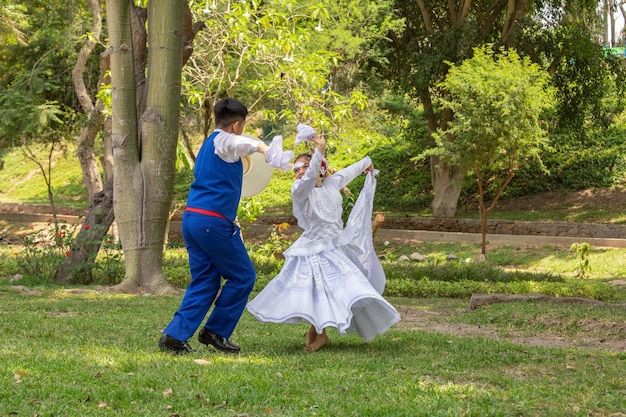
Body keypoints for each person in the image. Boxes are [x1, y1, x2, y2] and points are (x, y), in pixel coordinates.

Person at [247, 129, 401, 351]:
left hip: (335, 244)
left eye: (302, 168)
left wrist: (367, 162)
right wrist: (319, 148)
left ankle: (319, 333)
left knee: (343, 288)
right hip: (313, 247)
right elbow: (309, 179)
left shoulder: (330, 184)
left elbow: (347, 172)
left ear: (320, 169)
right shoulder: (300, 189)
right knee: (314, 289)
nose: (298, 172)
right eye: (296, 169)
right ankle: (319, 334)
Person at [159, 97, 290, 355]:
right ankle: (215, 331)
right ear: (237, 125)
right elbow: (238, 143)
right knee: (243, 276)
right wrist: (264, 148)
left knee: (206, 280)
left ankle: (174, 336)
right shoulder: (226, 141)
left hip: (193, 220)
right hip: (213, 223)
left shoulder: (209, 143)